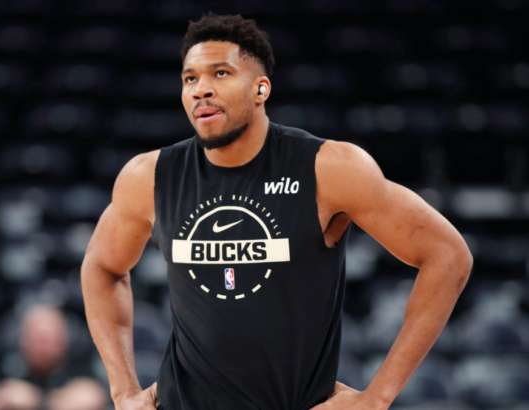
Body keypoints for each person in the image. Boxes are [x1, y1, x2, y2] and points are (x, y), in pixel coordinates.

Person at [81, 12, 473, 410]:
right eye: (190, 79)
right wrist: (123, 390)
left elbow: (447, 255)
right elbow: (101, 267)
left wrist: (377, 397)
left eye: (220, 73)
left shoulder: (330, 168)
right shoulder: (149, 176)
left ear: (260, 88)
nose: (201, 90)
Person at [0, 305, 108, 410]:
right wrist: (1, 396)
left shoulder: (77, 365)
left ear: (63, 340)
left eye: (48, 339)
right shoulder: (10, 367)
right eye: (37, 340)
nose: (43, 348)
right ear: (23, 340)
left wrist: (40, 399)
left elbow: (93, 396)